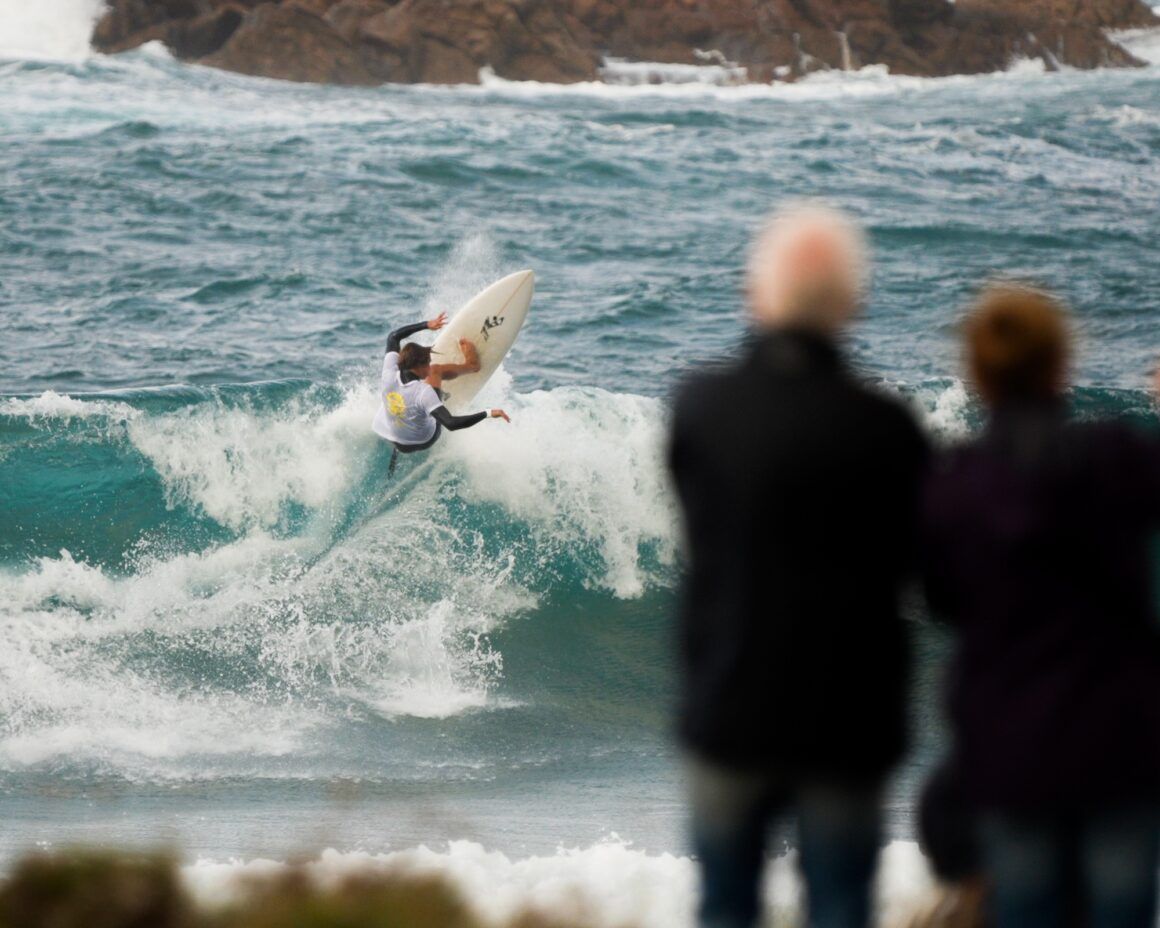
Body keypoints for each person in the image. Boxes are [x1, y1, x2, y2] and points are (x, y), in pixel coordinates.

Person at [667, 203, 929, 928]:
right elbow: (914, 569)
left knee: (726, 909)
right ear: (854, 304)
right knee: (841, 910)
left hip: (728, 708)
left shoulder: (702, 409)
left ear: (756, 296)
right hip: (847, 724)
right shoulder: (888, 426)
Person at [921, 284, 1160, 928]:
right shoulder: (1115, 457)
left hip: (1011, 751)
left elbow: (942, 601)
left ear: (975, 374)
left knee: (1026, 911)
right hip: (1122, 745)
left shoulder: (953, 487)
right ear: (1062, 366)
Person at [372, 312, 509, 454]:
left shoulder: (388, 371)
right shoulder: (423, 392)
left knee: (401, 401)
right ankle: (472, 365)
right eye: (428, 363)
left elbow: (393, 336)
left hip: (393, 437)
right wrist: (488, 413)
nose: (430, 365)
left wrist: (426, 325)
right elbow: (451, 423)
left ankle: (408, 424)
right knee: (436, 371)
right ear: (418, 366)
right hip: (423, 440)